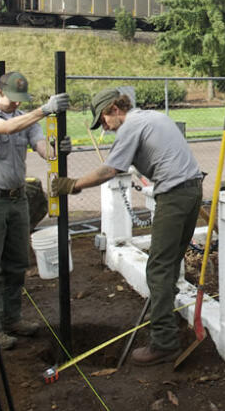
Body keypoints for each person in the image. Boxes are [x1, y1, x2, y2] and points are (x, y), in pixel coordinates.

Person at [51, 88, 204, 365]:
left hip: (174, 196)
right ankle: (162, 314)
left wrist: (73, 185)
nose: (106, 128)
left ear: (113, 109)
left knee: (158, 266)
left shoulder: (130, 126)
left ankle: (164, 342)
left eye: (104, 121)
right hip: (192, 190)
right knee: (169, 262)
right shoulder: (151, 117)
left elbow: (110, 170)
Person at [0, 71, 70, 350]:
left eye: (20, 101)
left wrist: (59, 149)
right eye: (12, 99)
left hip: (17, 201)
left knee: (16, 264)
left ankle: (11, 319)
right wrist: (44, 110)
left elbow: (43, 149)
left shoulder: (26, 119)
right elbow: (7, 128)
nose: (16, 105)